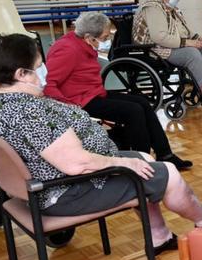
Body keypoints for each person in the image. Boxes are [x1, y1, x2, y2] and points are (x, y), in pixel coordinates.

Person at [0, 34, 202, 254]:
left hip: (41, 186)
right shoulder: (31, 112)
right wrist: (123, 163)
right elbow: (77, 164)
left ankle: (159, 236)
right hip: (66, 190)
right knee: (167, 173)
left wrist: (127, 159)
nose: (43, 75)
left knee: (143, 158)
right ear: (20, 74)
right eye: (38, 68)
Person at [44, 11, 192, 170]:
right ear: (89, 37)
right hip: (78, 101)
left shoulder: (82, 43)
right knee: (133, 111)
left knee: (143, 102)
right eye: (105, 37)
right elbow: (48, 84)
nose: (107, 41)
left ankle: (165, 154)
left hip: (93, 93)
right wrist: (70, 108)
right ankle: (142, 161)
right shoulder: (68, 50)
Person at [133, 0, 202, 103]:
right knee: (192, 53)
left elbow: (183, 30)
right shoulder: (153, 8)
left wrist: (199, 39)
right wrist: (188, 43)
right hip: (154, 48)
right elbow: (159, 37)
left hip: (171, 44)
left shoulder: (172, 8)